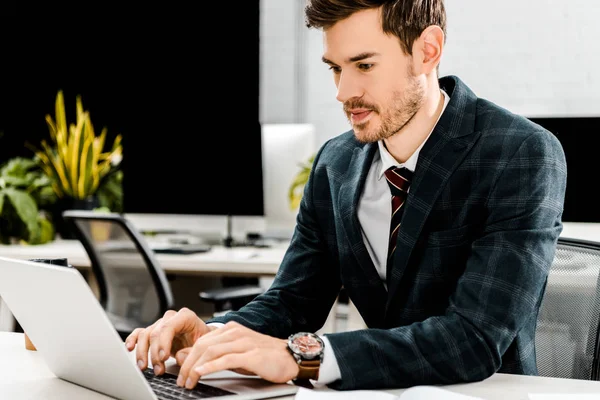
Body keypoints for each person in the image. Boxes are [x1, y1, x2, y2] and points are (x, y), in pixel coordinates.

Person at [125, 0, 567, 391]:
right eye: (335, 68)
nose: (343, 92)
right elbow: (294, 301)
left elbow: (474, 340)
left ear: (427, 50)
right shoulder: (335, 163)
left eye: (364, 65)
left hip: (487, 392)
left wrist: (303, 357)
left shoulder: (518, 152)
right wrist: (212, 334)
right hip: (378, 392)